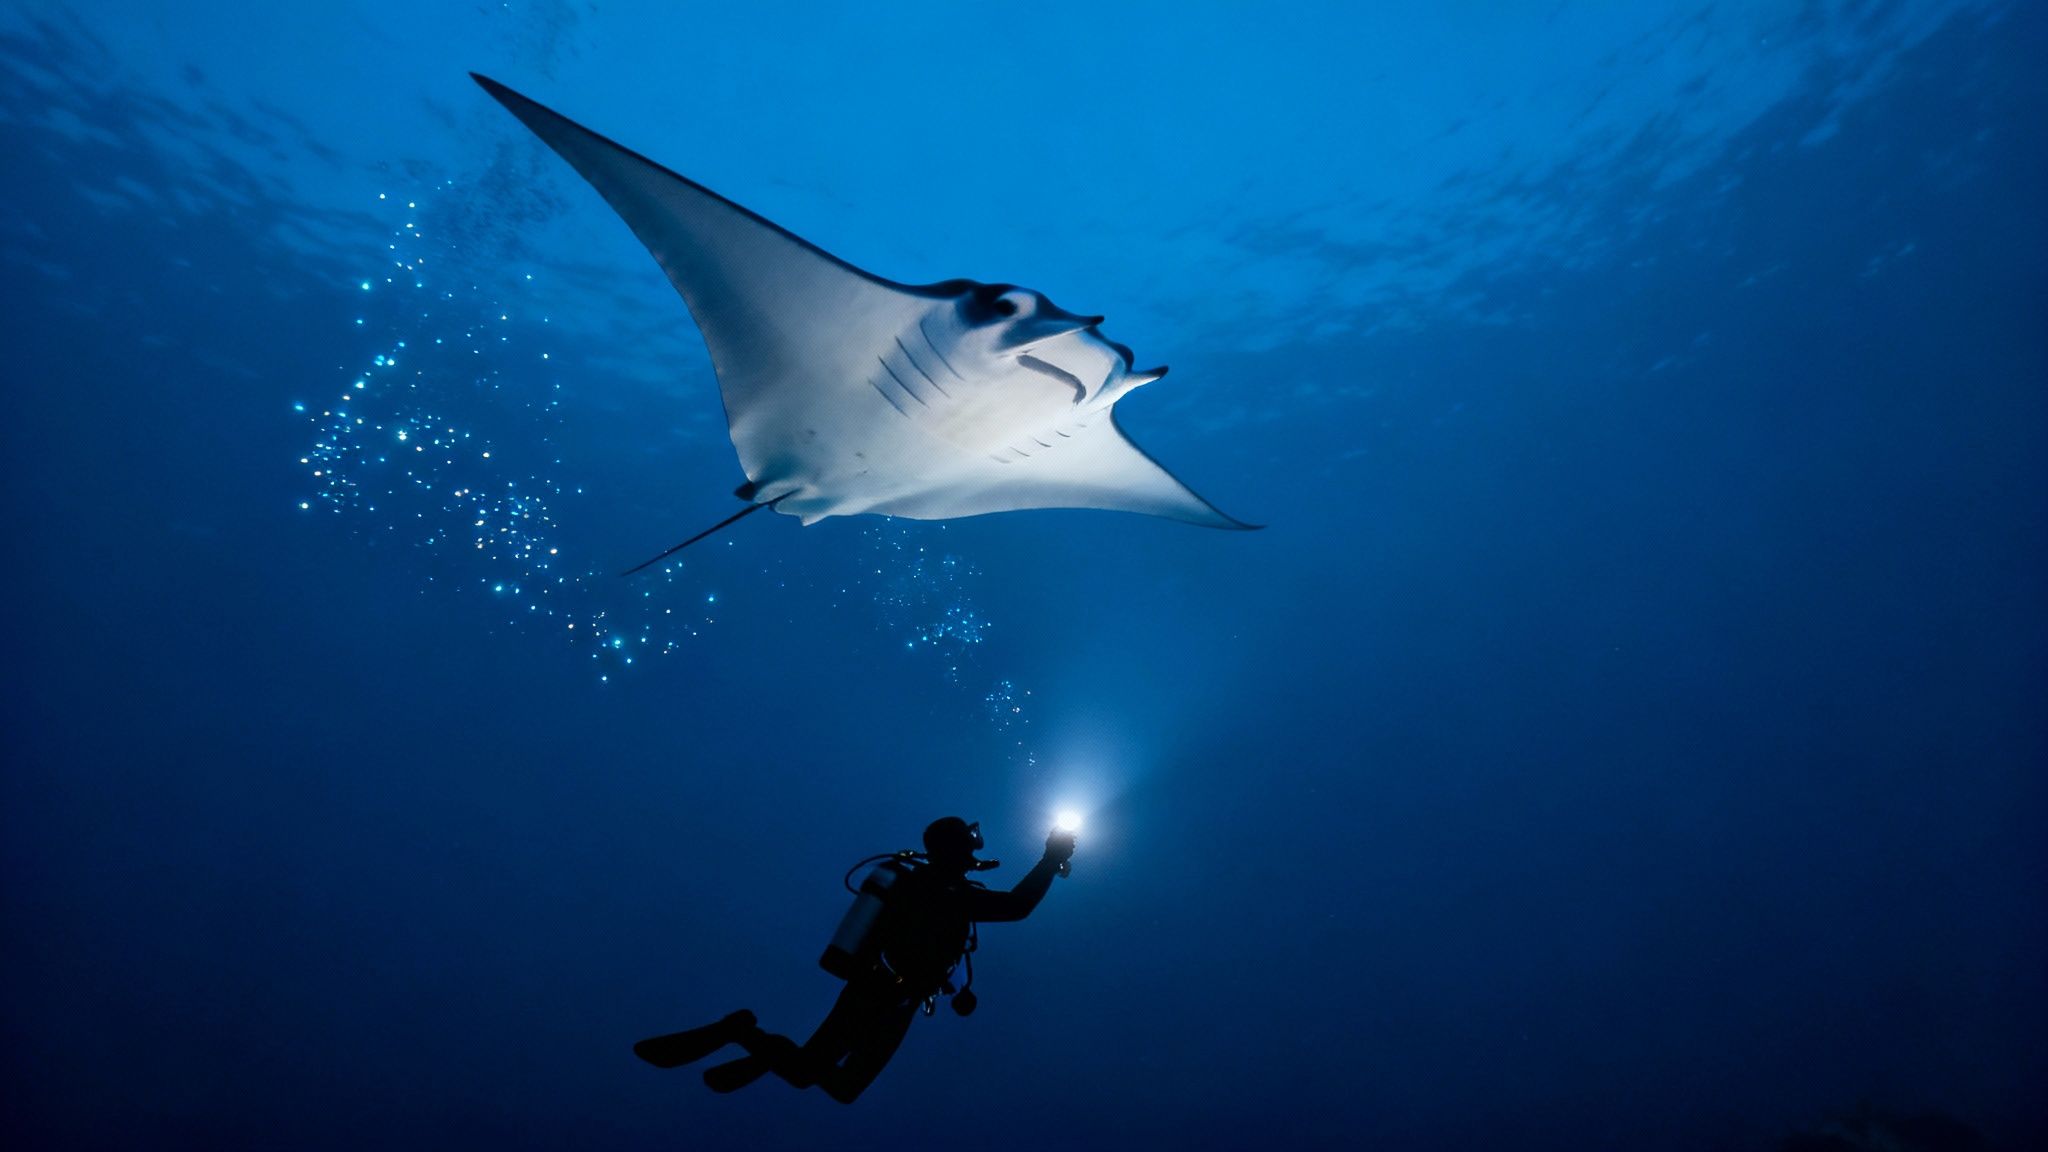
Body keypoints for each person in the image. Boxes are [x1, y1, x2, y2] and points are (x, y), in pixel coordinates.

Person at [632, 816, 1077, 1103]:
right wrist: (1049, 859)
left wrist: (1047, 864)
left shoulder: (932, 885)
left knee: (828, 1081)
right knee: (826, 1080)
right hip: (878, 997)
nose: (976, 849)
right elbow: (1016, 907)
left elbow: (1009, 906)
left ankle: (759, 1044)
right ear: (955, 849)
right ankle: (744, 1034)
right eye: (969, 842)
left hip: (885, 996)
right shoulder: (945, 892)